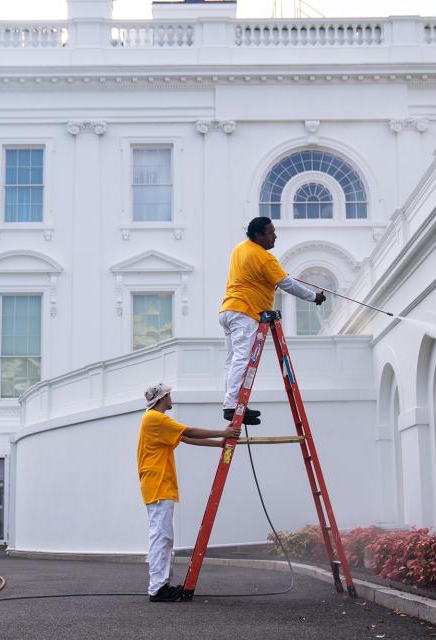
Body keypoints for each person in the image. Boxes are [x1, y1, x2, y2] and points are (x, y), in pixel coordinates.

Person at [138, 382, 241, 602]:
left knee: (163, 537)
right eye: (169, 394)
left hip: (158, 485)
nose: (171, 397)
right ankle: (157, 588)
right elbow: (188, 431)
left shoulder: (156, 421)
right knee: (161, 537)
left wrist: (219, 443)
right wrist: (224, 432)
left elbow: (184, 438)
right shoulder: (155, 418)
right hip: (158, 485)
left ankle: (161, 585)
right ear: (162, 397)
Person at [218, 217, 326, 424]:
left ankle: (232, 402)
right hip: (246, 311)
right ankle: (232, 405)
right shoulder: (264, 258)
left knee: (232, 361)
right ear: (258, 235)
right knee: (241, 358)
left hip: (228, 310)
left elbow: (259, 276)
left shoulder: (240, 248)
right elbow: (288, 284)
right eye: (270, 232)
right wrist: (314, 297)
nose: (274, 236)